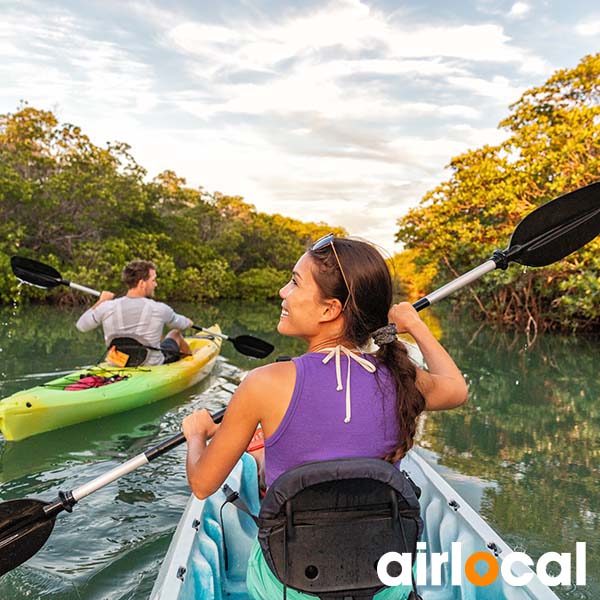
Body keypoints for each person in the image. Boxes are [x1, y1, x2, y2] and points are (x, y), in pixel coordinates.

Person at [182, 235, 468, 599]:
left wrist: (196, 434)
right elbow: (456, 388)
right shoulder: (401, 377)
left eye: (295, 282)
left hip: (290, 588)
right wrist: (414, 324)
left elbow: (203, 484)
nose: (283, 292)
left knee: (259, 462)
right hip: (383, 587)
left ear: (330, 309)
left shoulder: (264, 383)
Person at [76, 260, 193, 366]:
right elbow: (181, 324)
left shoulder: (107, 306)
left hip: (117, 363)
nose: (155, 284)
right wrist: (189, 322)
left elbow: (81, 326)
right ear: (142, 283)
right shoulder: (160, 309)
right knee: (175, 334)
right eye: (153, 280)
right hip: (150, 365)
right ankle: (192, 364)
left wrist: (101, 301)